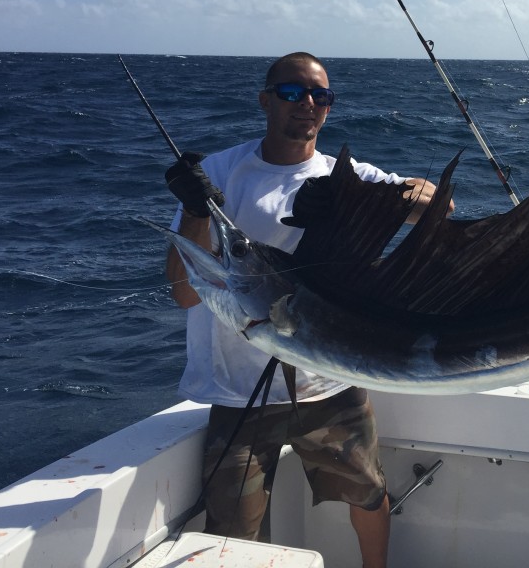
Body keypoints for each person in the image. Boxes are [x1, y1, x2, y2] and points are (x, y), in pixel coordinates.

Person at [165, 51, 447, 568]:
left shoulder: (342, 176)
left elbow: (439, 205)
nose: (308, 104)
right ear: (265, 100)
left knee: (368, 493)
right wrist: (192, 209)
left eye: (320, 96)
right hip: (240, 392)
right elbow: (185, 294)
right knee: (230, 527)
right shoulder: (217, 175)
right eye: (293, 93)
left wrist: (353, 198)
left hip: (330, 381)